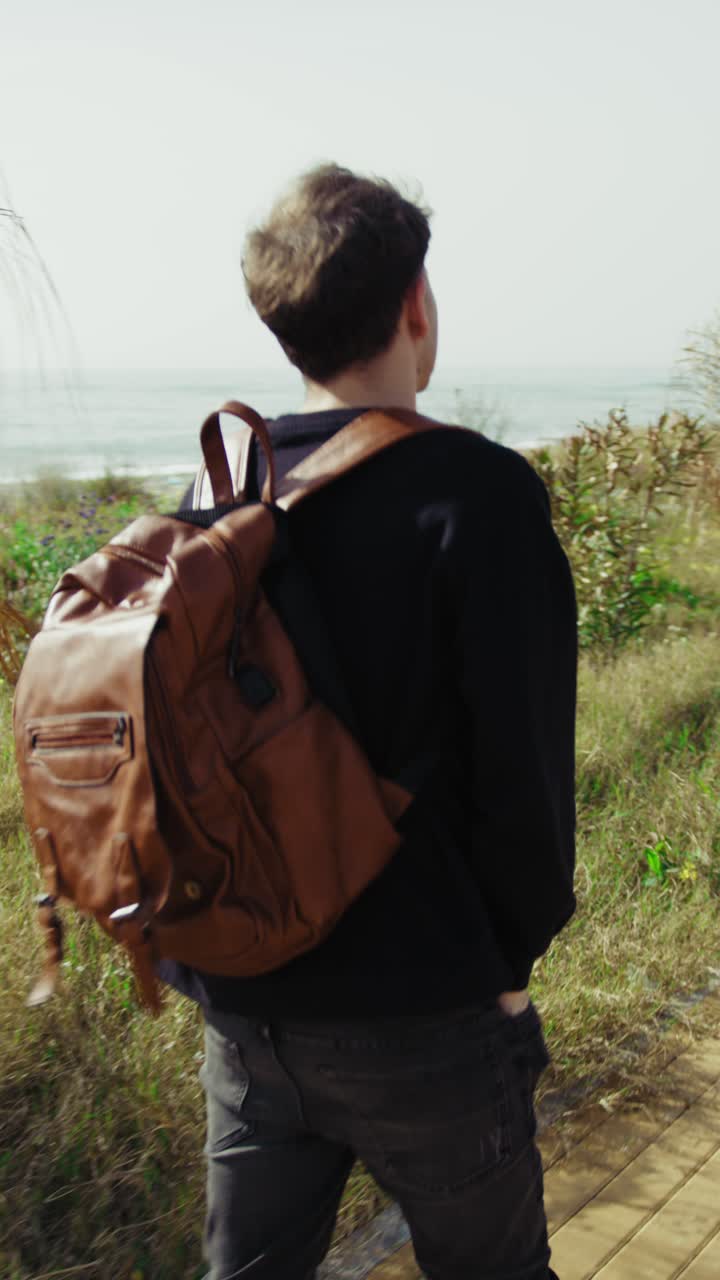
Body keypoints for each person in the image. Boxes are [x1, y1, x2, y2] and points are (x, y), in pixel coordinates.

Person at [161, 163, 577, 1280]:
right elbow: (523, 770)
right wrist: (512, 960)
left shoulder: (222, 499)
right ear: (415, 309)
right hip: (428, 1008)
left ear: (286, 325)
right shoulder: (476, 492)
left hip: (246, 1017)